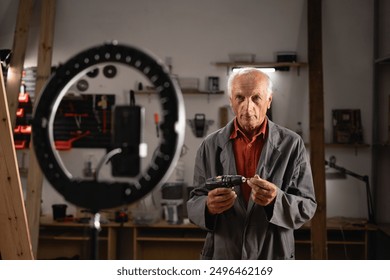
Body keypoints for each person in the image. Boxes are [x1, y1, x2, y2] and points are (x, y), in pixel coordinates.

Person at [186, 68, 317, 259]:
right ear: (231, 101)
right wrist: (207, 206)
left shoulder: (292, 144)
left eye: (256, 98)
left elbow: (307, 206)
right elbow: (193, 202)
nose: (248, 108)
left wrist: (276, 200)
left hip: (273, 253)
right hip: (225, 254)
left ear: (269, 101)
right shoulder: (210, 145)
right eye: (240, 98)